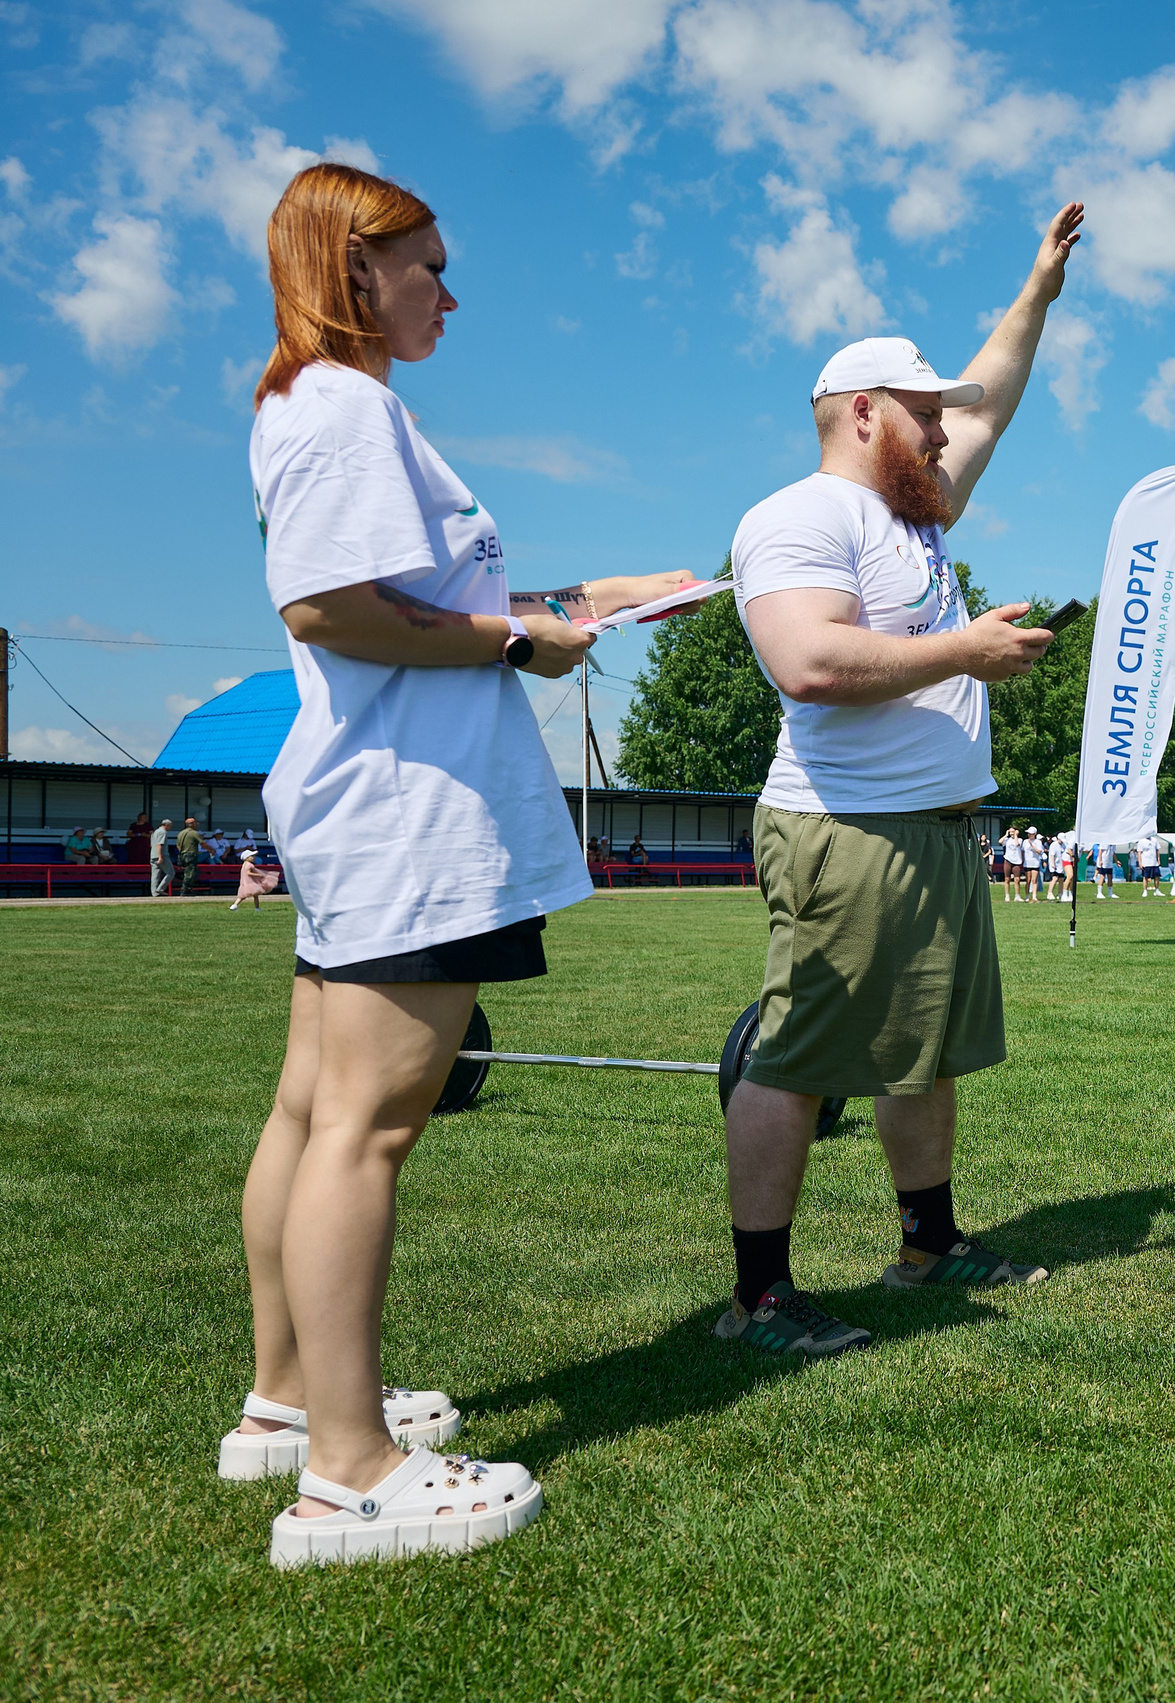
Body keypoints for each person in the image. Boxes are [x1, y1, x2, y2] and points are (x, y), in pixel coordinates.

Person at [227, 162, 693, 1567]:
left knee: (318, 1112)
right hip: (402, 814)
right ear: (352, 269)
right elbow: (330, 602)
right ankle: (351, 1473)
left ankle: (291, 1402)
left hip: (370, 805)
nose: (448, 288)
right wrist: (515, 637)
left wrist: (564, 603)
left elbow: (407, 596)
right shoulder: (347, 402)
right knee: (366, 1125)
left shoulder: (319, 403)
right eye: (425, 262)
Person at [718, 206, 1083, 1358]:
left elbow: (995, 394)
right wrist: (964, 650)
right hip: (846, 831)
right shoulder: (798, 516)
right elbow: (809, 662)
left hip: (924, 829)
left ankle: (929, 1243)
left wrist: (1037, 289)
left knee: (923, 1049)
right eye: (924, 413)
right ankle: (759, 1297)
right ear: (863, 413)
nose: (943, 429)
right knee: (798, 1057)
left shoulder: (908, 510)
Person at [233, 835, 283, 911]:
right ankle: (256, 908)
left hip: (245, 883)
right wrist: (258, 875)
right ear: (247, 857)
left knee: (244, 896)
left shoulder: (244, 864)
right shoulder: (250, 865)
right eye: (252, 856)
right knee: (253, 895)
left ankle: (235, 905)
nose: (254, 858)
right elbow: (248, 873)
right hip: (250, 884)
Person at [175, 815, 206, 895]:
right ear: (192, 824)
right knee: (190, 873)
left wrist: (183, 851)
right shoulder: (194, 833)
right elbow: (202, 843)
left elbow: (177, 845)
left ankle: (187, 889)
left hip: (183, 855)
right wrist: (211, 850)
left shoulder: (181, 833)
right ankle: (185, 890)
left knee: (187, 872)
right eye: (195, 823)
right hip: (191, 855)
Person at [150, 818, 173, 896]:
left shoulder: (155, 832)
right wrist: (160, 856)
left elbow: (151, 844)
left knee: (155, 875)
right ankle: (160, 889)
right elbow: (159, 845)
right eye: (170, 826)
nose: (170, 828)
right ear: (166, 825)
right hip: (161, 855)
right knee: (171, 872)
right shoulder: (162, 832)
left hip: (153, 855)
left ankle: (154, 893)